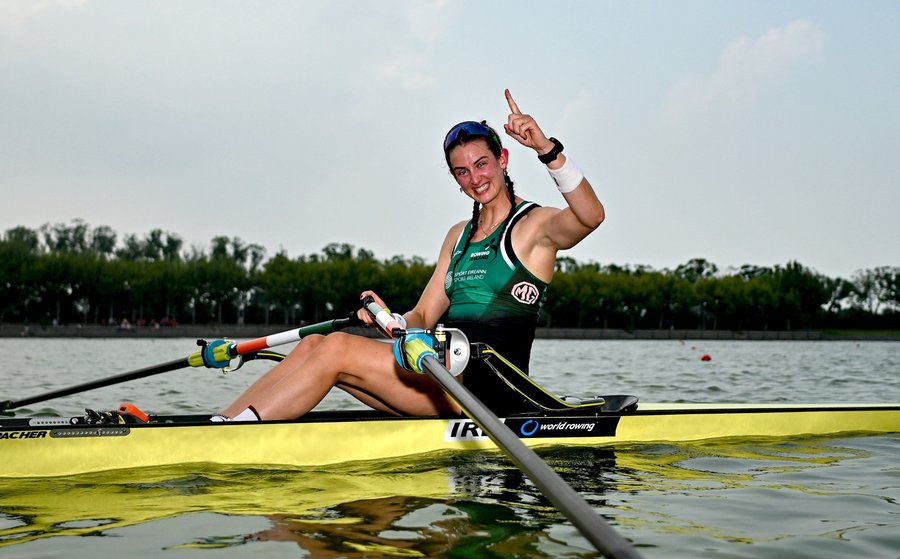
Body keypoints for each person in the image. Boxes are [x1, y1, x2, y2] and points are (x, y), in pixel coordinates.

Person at [217, 89, 604, 421]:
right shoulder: (459, 236)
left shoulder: (534, 226)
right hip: (446, 376)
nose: (476, 178)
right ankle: (225, 422)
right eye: (462, 172)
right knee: (314, 344)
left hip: (491, 393)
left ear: (503, 160)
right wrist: (392, 319)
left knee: (335, 349)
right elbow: (422, 316)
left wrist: (546, 149)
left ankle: (236, 434)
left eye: (482, 164)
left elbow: (591, 216)